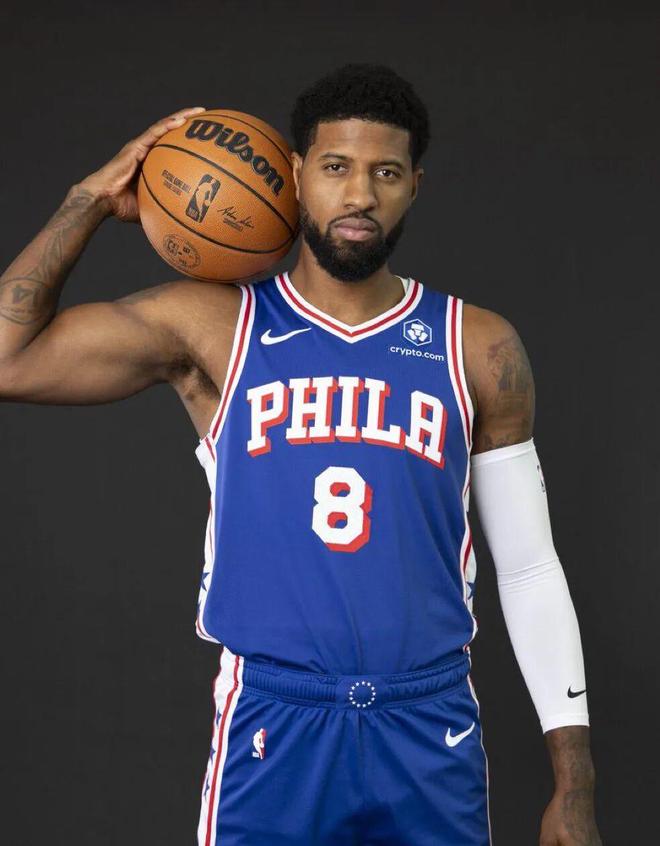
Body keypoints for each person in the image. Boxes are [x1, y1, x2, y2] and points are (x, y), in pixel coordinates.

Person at [0, 64, 601, 845]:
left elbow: (528, 569)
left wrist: (575, 780)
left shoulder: (477, 346)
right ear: (294, 174)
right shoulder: (215, 328)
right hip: (273, 719)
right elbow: (9, 360)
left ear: (414, 186)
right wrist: (86, 200)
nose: (360, 195)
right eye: (336, 167)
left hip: (430, 720)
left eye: (386, 173)